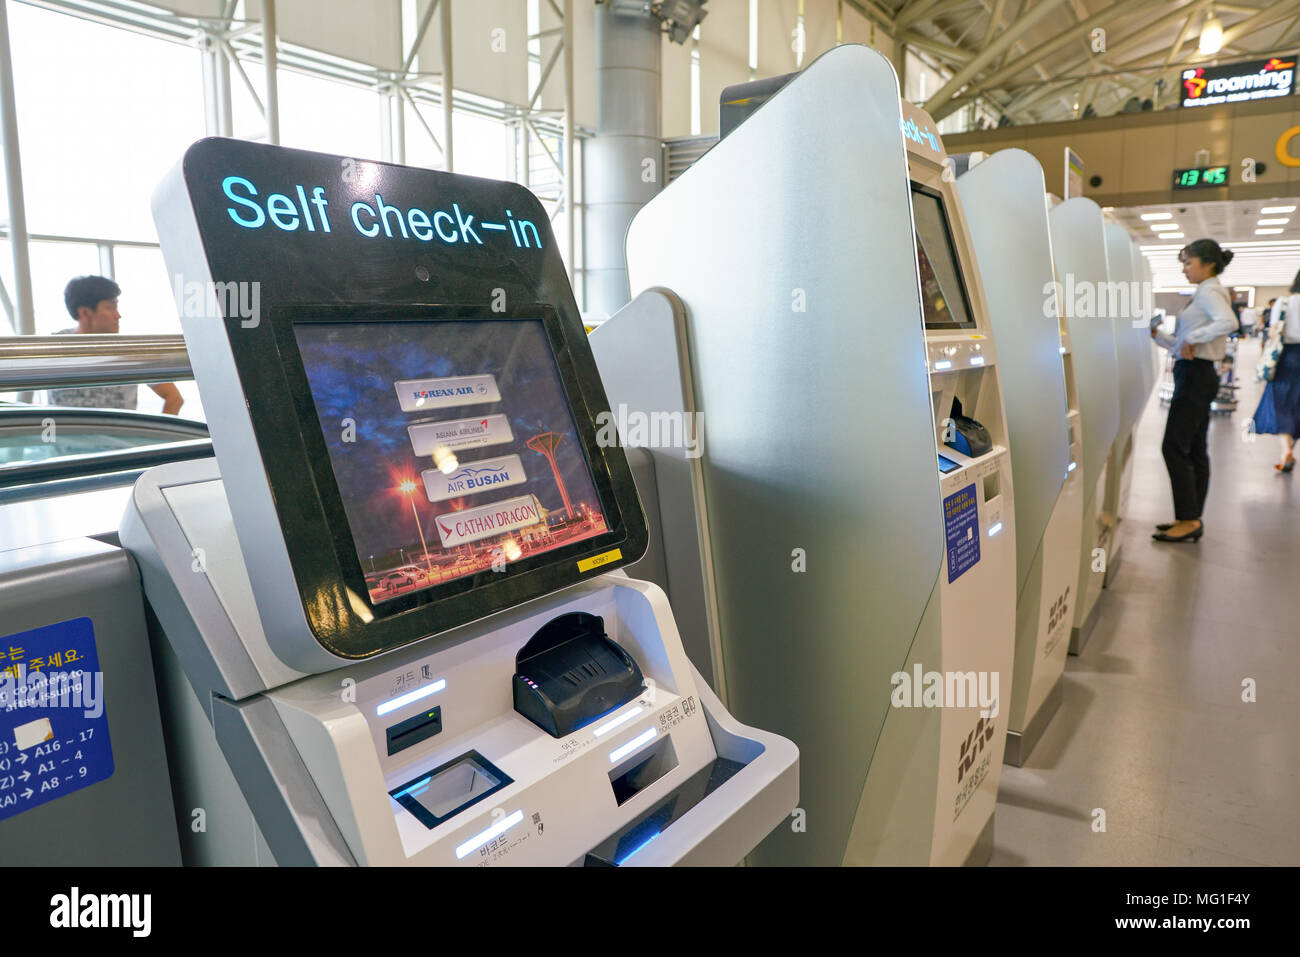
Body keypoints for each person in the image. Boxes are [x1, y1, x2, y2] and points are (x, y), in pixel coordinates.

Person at [1150, 239, 1239, 542]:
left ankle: (1188, 519)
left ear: (1208, 263)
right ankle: (1191, 518)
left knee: (1173, 446)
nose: (1184, 269)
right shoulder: (1206, 291)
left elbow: (1229, 321)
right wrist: (1159, 337)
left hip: (1196, 377)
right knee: (1195, 448)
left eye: (1189, 262)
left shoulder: (1211, 290)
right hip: (1198, 373)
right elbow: (1184, 344)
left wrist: (1195, 337)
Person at [49, 276, 183, 414]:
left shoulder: (128, 349)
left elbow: (174, 398)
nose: (117, 315)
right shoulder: (53, 347)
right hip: (67, 435)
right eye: (110, 307)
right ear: (85, 312)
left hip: (119, 434)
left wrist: (157, 435)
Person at [1251, 271, 1300, 472]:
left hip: (1286, 357)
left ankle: (1286, 449)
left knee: (1281, 402)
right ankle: (1289, 449)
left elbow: (1273, 332)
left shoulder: (1284, 302)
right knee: (1298, 403)